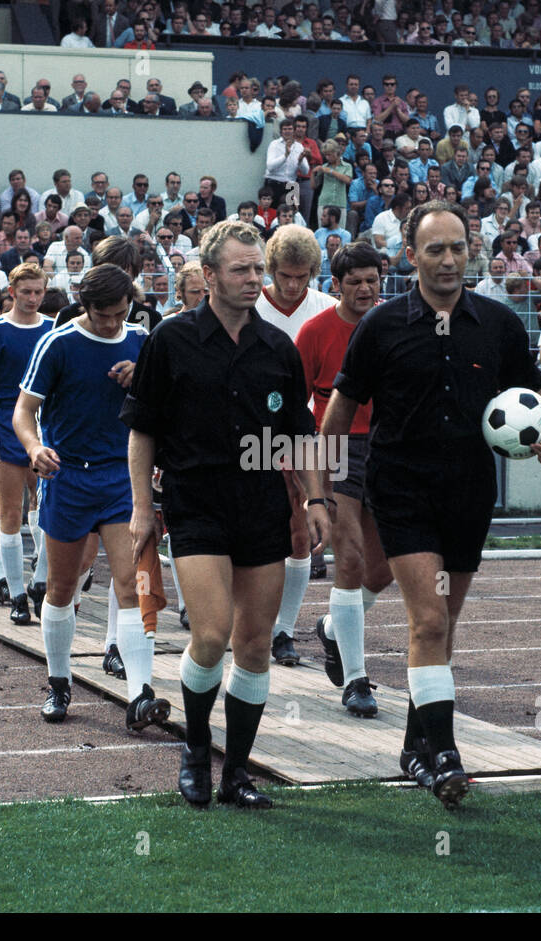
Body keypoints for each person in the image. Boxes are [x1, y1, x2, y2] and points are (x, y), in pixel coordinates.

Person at [322, 202, 541, 810]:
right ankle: (447, 756)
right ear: (411, 256)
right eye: (436, 249)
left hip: (469, 489)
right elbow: (338, 411)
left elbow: (535, 390)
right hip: (402, 488)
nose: (450, 259)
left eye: (458, 247)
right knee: (428, 621)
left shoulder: (499, 323)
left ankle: (415, 749)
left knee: (444, 628)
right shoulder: (379, 326)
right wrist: (318, 493)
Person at [122, 220, 331, 810]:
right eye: (241, 269)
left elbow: (303, 436)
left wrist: (315, 501)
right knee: (211, 635)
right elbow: (142, 432)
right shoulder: (169, 340)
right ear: (208, 275)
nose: (253, 279)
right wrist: (142, 507)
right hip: (196, 505)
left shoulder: (277, 349)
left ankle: (237, 772)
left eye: (257, 269)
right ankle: (194, 750)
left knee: (256, 645)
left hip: (263, 507)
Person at [16, 263, 169, 731]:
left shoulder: (143, 341)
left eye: (122, 314)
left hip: (124, 480)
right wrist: (34, 446)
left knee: (132, 585)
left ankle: (140, 694)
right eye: (105, 316)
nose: (113, 324)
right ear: (85, 307)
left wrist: (142, 379)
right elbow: (24, 411)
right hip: (67, 478)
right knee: (62, 589)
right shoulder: (58, 343)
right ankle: (58, 682)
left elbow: (165, 407)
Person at [296, 241, 395, 718]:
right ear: (335, 285)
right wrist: (307, 480)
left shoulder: (397, 325)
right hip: (335, 447)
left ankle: (333, 629)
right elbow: (296, 410)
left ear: (382, 281)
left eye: (370, 279)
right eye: (353, 280)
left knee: (388, 567)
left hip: (391, 448)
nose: (363, 287)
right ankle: (356, 680)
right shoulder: (315, 332)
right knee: (350, 560)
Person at [254, 225, 338, 656]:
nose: (291, 285)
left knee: (301, 531)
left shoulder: (328, 309)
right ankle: (249, 620)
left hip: (308, 436)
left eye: (300, 276)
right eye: (283, 275)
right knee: (252, 530)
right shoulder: (247, 305)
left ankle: (283, 629)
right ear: (270, 270)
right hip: (252, 432)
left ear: (314, 273)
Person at [0, 264, 54, 624]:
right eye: (26, 292)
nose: (33, 298)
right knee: (9, 513)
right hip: (5, 424)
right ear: (13, 291)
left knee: (48, 510)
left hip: (44, 427)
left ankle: (39, 582)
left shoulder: (54, 329)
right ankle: (17, 594)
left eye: (38, 292)